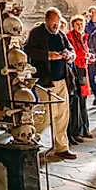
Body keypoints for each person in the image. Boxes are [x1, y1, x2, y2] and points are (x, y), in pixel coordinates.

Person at [25, 9, 75, 160]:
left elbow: (71, 49)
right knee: (45, 116)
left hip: (61, 80)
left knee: (62, 115)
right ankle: (29, 139)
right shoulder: (37, 33)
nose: (56, 25)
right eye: (54, 22)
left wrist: (69, 55)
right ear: (46, 20)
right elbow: (27, 50)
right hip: (44, 81)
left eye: (58, 22)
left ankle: (61, 147)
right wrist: (48, 56)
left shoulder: (60, 34)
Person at [67, 15, 93, 142]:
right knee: (77, 100)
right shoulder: (70, 37)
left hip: (83, 69)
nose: (79, 26)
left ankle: (85, 129)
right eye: (77, 24)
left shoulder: (85, 37)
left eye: (81, 24)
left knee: (83, 100)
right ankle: (77, 130)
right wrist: (85, 55)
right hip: (76, 70)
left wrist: (89, 57)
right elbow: (75, 52)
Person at [85, 6, 96, 101]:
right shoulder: (86, 26)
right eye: (91, 12)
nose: (92, 14)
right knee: (91, 77)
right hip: (91, 55)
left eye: (94, 12)